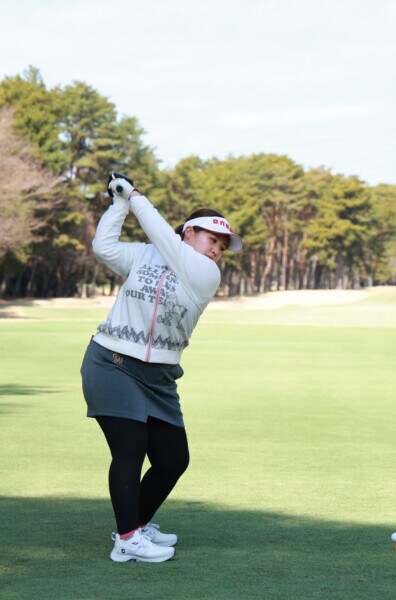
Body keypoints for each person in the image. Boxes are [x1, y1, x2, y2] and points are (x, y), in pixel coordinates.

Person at [81, 172, 243, 562]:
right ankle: (127, 540)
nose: (218, 250)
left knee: (173, 460)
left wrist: (135, 196)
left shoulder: (206, 274)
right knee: (131, 447)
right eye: (212, 239)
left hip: (159, 378)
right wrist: (120, 203)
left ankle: (135, 524)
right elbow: (104, 248)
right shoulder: (147, 254)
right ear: (188, 233)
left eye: (223, 245)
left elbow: (165, 240)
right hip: (112, 363)